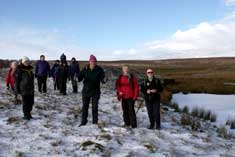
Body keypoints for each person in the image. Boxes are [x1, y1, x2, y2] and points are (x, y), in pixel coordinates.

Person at [78, 54, 105, 126]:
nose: (93, 63)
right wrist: (77, 76)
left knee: (95, 108)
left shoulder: (99, 69)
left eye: (94, 61)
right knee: (85, 107)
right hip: (86, 91)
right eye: (92, 61)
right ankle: (83, 122)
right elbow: (80, 78)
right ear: (89, 61)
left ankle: (95, 122)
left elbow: (102, 78)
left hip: (95, 91)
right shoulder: (85, 68)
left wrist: (104, 80)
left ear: (96, 62)